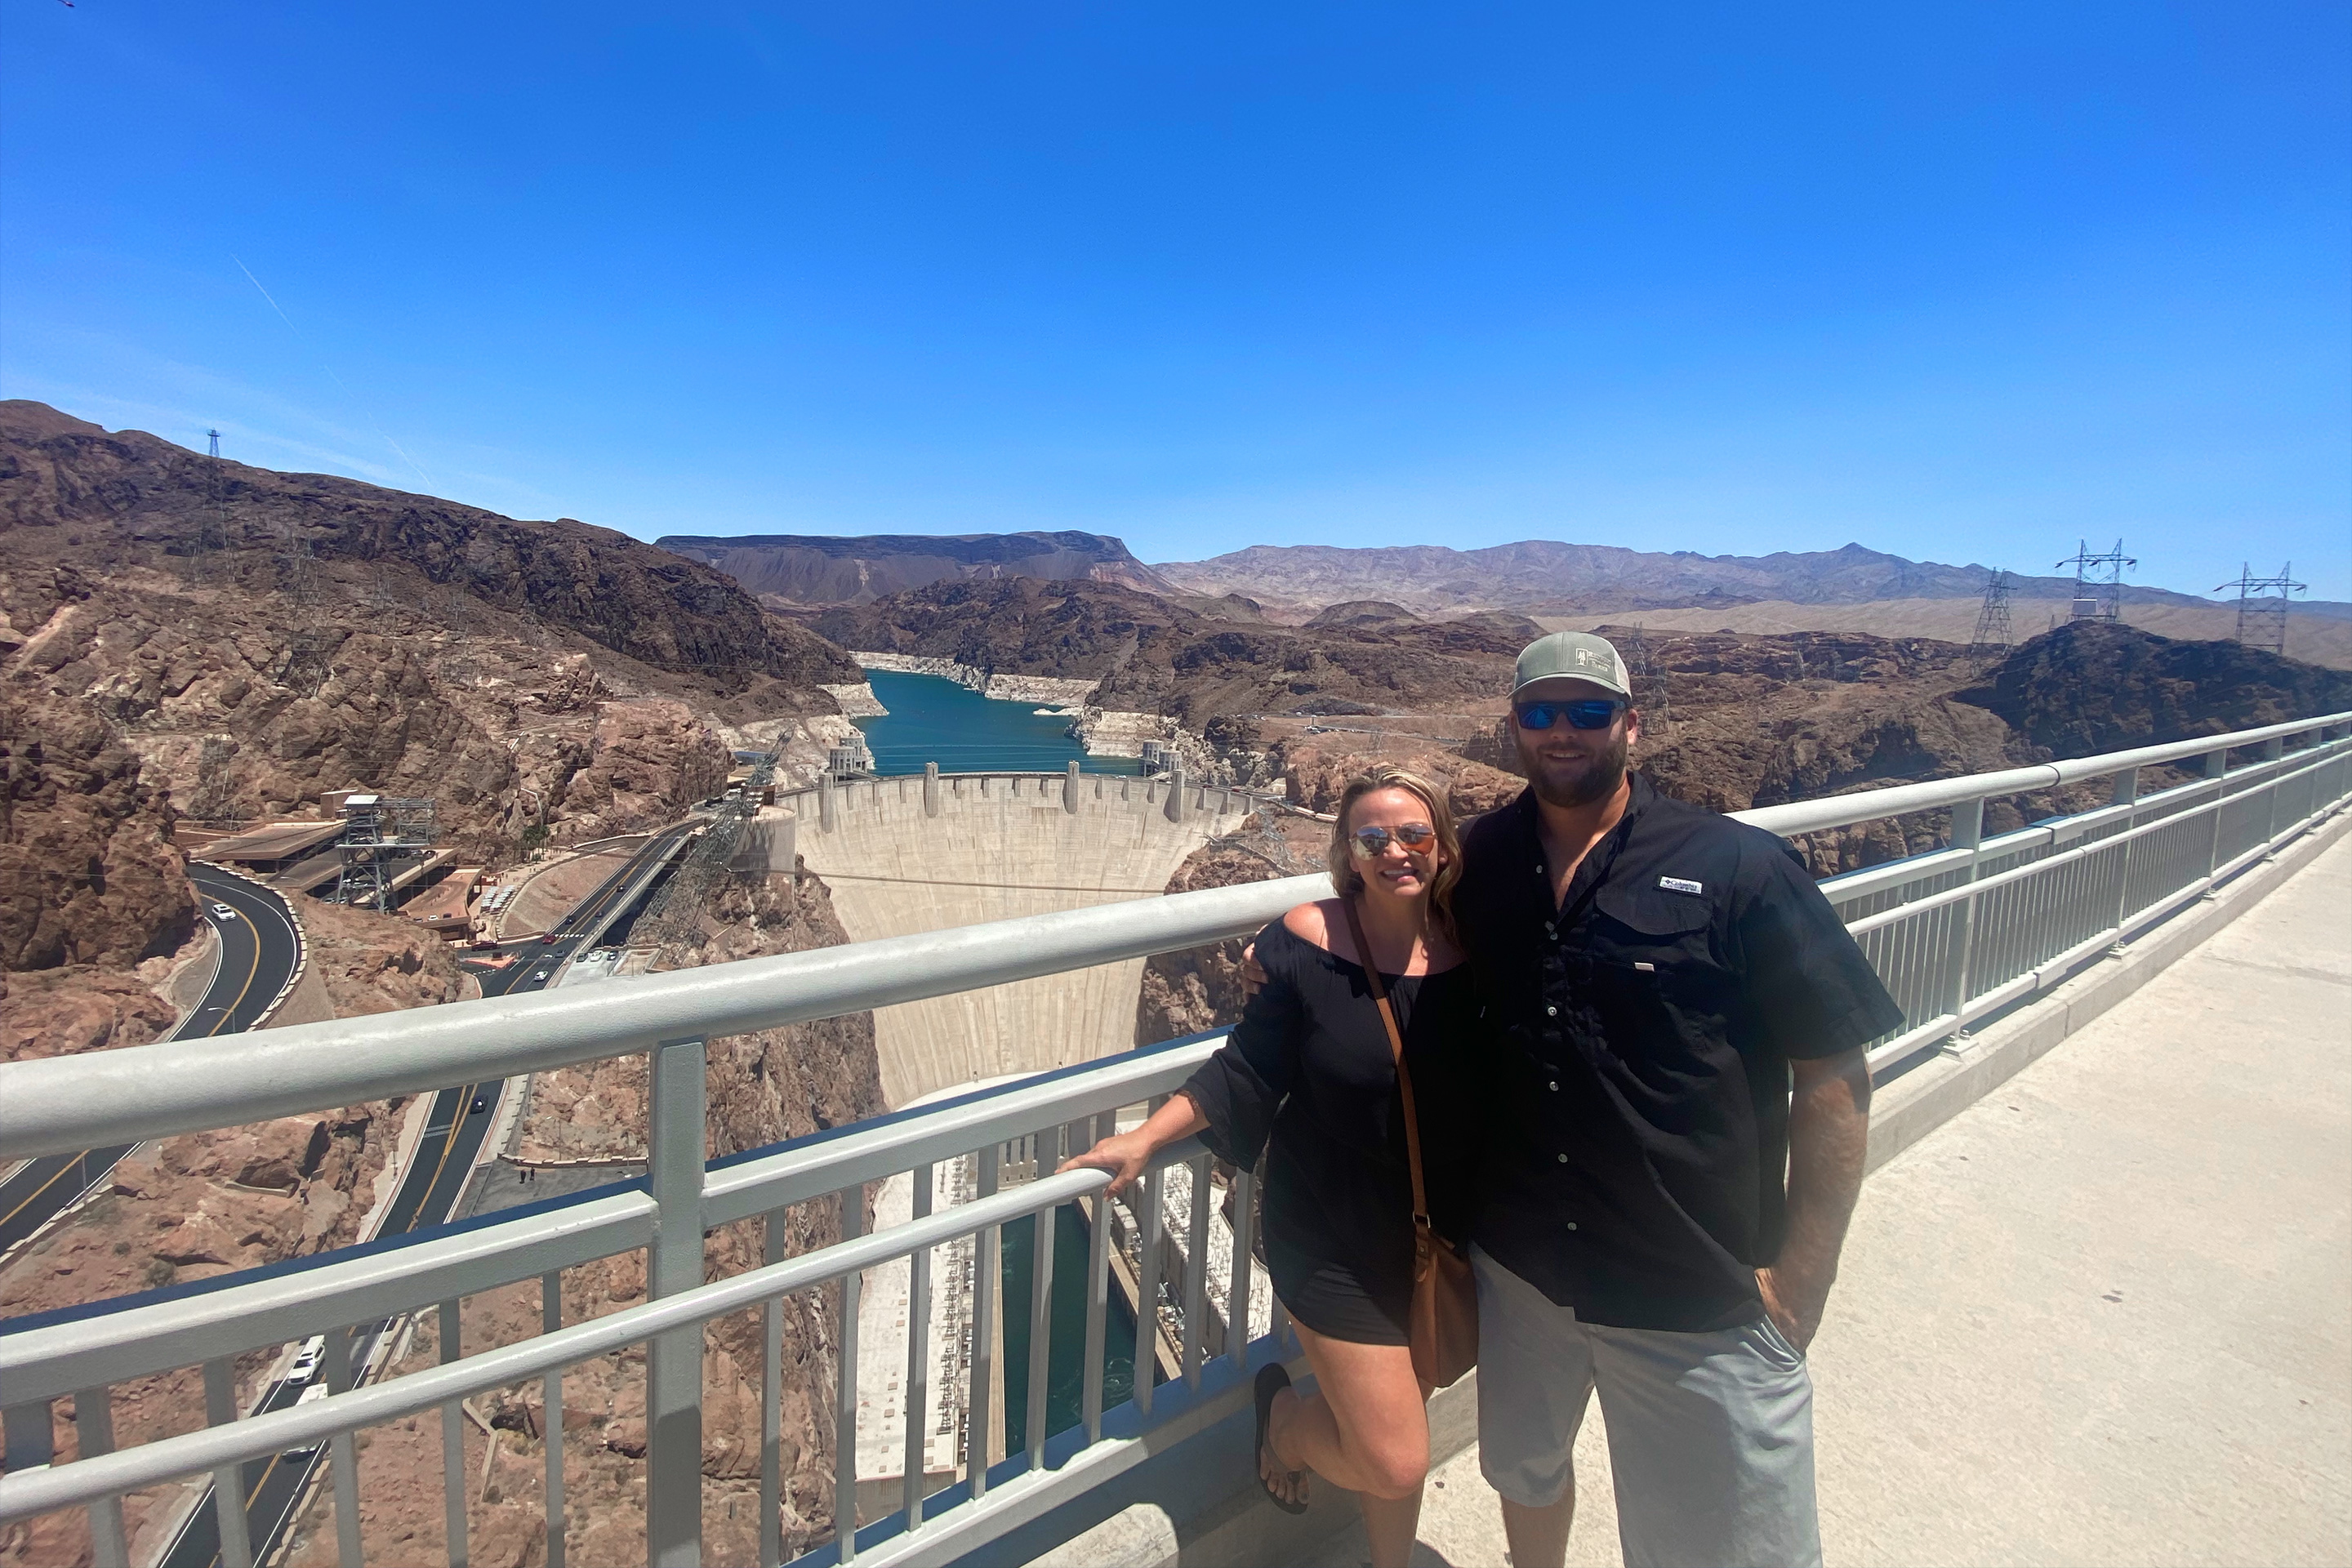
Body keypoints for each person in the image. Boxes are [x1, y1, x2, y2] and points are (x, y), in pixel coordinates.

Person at [1453, 630, 1903, 1568]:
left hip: (1694, 1290)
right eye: (1540, 714)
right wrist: (1293, 950)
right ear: (1514, 727)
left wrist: (1802, 1279)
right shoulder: (1481, 861)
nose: (1562, 733)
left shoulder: (1739, 869)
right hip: (1525, 1268)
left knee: (1728, 1549)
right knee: (1525, 1474)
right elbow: (1390, 940)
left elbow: (1833, 1070)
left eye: (1588, 712)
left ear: (1632, 723)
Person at [1061, 768, 1476, 1568]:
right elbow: (1248, 1069)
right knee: (1395, 1455)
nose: (1396, 851)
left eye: (1415, 835)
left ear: (1445, 847)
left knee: (1397, 1426)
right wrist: (1147, 1138)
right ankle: (1283, 1422)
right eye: (1373, 838)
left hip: (1429, 1238)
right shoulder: (1309, 942)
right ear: (1348, 854)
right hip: (1327, 1234)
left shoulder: (1475, 949)